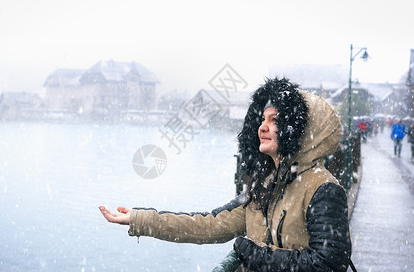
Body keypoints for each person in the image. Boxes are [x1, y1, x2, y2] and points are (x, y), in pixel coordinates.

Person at [99, 77, 352, 271]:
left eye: (274, 120)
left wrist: (258, 255)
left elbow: (329, 263)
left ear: (298, 130)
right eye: (262, 119)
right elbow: (208, 224)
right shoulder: (266, 186)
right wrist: (138, 219)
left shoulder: (323, 189)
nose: (262, 127)